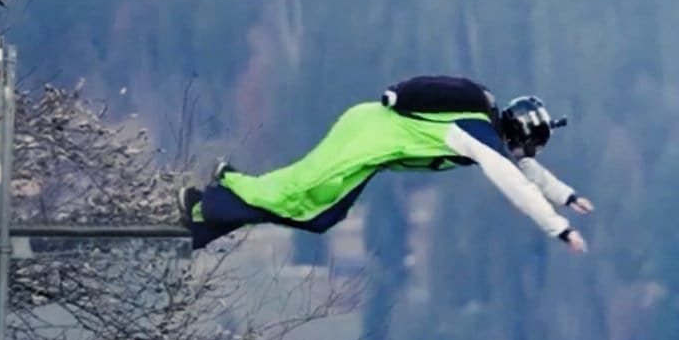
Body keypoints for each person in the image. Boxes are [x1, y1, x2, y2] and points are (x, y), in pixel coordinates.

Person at [178, 76, 593, 253]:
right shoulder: (477, 136)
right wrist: (559, 228)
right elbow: (515, 183)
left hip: (375, 145)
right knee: (298, 191)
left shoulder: (487, 133)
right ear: (518, 136)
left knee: (321, 215)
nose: (525, 157)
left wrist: (566, 195)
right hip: (367, 132)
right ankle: (221, 184)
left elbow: (525, 172)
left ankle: (203, 222)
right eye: (527, 148)